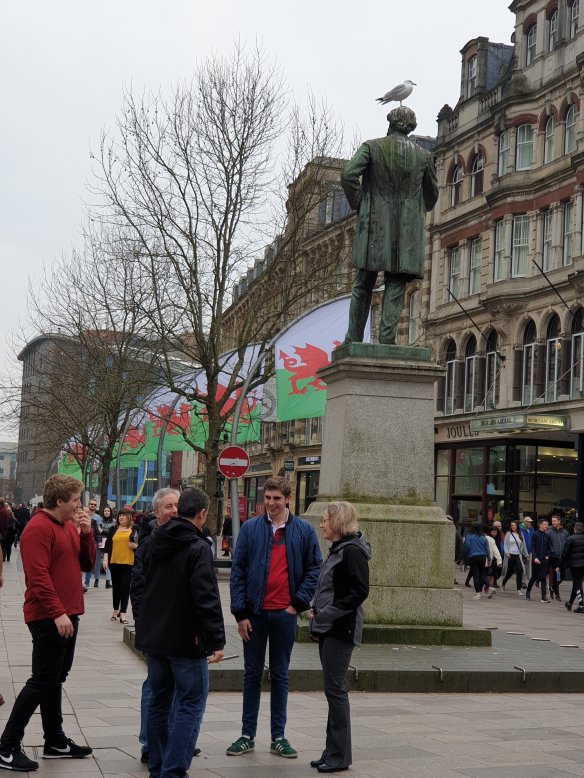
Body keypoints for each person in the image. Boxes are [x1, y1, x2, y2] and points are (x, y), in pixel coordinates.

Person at [0, 474, 95, 772]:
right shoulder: (38, 528)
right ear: (59, 500)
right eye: (75, 500)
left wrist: (86, 534)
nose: (79, 505)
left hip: (68, 613)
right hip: (48, 616)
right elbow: (37, 576)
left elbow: (87, 564)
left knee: (55, 679)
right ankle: (6, 746)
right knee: (43, 680)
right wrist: (57, 612)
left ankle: (55, 740)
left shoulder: (67, 526)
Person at [227, 475, 322, 759]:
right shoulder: (250, 529)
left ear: (288, 499)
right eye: (267, 498)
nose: (271, 503)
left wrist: (297, 603)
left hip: (284, 614)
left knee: (280, 675)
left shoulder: (303, 530)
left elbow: (314, 569)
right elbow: (238, 571)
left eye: (277, 498)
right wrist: (240, 613)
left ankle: (278, 736)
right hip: (254, 615)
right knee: (251, 674)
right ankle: (247, 735)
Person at [133, 487, 225, 778]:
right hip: (186, 640)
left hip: (155, 638)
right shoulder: (197, 547)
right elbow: (206, 598)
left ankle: (158, 766)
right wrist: (216, 640)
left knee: (159, 701)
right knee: (191, 703)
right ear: (202, 513)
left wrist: (144, 625)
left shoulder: (152, 541)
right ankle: (173, 771)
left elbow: (141, 587)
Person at [340, 105, 439, 345]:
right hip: (407, 228)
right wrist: (414, 207)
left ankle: (353, 338)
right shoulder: (423, 156)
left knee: (364, 282)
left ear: (390, 123)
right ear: (411, 127)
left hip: (374, 223)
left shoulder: (372, 147)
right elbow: (432, 194)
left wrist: (360, 203)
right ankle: (386, 339)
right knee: (396, 282)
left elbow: (348, 174)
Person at [309, 501, 370, 774]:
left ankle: (339, 756)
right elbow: (328, 587)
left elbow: (359, 591)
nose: (321, 524)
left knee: (335, 690)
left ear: (338, 522)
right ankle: (331, 751)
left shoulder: (352, 552)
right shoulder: (338, 549)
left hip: (340, 629)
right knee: (332, 691)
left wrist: (328, 613)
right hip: (329, 627)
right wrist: (317, 612)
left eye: (325, 520)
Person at [130, 487, 180, 764]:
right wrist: (143, 623)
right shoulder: (148, 543)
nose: (174, 511)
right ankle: (149, 742)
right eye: (168, 506)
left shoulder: (187, 539)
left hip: (180, 628)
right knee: (155, 686)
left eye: (177, 506)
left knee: (177, 687)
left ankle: (172, 738)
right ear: (156, 512)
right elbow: (138, 588)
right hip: (156, 629)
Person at [103, 506, 138, 624]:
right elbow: (108, 545)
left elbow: (141, 544)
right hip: (114, 562)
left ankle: (123, 612)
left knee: (125, 587)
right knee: (116, 587)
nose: (121, 517)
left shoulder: (135, 529)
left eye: (124, 515)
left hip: (128, 563)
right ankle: (115, 610)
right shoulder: (113, 529)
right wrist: (105, 559)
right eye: (120, 515)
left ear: (129, 517)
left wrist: (135, 546)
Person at [526, 518, 551, 602]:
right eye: (545, 524)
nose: (546, 526)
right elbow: (532, 547)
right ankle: (528, 590)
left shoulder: (547, 536)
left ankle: (543, 597)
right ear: (540, 525)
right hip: (536, 559)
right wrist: (535, 557)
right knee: (534, 577)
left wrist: (547, 556)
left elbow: (549, 547)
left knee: (543, 577)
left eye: (547, 525)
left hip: (544, 560)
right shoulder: (535, 534)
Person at [561, 521, 584, 613]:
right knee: (576, 583)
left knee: (578, 584)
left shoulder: (570, 539)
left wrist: (559, 565)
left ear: (574, 529)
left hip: (575, 565)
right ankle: (570, 603)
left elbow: (564, 554)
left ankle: (581, 605)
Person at [501, 520, 529, 595]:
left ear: (517, 526)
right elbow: (505, 544)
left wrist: (526, 555)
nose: (513, 527)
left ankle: (519, 589)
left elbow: (524, 545)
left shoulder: (521, 534)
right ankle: (503, 583)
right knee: (509, 572)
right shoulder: (508, 534)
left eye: (515, 525)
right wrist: (507, 552)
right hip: (510, 555)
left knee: (520, 570)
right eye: (512, 525)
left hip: (518, 555)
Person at [462, 523, 489, 600]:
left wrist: (464, 558)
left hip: (473, 556)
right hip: (483, 557)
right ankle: (486, 587)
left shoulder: (469, 537)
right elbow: (487, 549)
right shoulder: (484, 537)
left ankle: (478, 593)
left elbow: (466, 547)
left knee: (476, 575)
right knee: (482, 574)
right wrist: (489, 558)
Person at [547, 512, 569, 602]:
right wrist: (551, 552)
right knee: (557, 575)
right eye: (552, 521)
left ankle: (552, 587)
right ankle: (557, 594)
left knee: (562, 576)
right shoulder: (549, 533)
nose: (553, 522)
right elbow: (547, 545)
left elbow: (568, 545)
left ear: (559, 521)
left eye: (555, 521)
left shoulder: (565, 533)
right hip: (554, 558)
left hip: (563, 558)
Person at [520, 515, 535, 587]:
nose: (530, 523)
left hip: (530, 550)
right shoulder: (520, 529)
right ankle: (523, 581)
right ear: (525, 522)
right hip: (522, 551)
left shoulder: (532, 529)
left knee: (529, 567)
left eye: (530, 522)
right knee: (523, 566)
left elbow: (534, 538)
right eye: (529, 522)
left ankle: (528, 580)